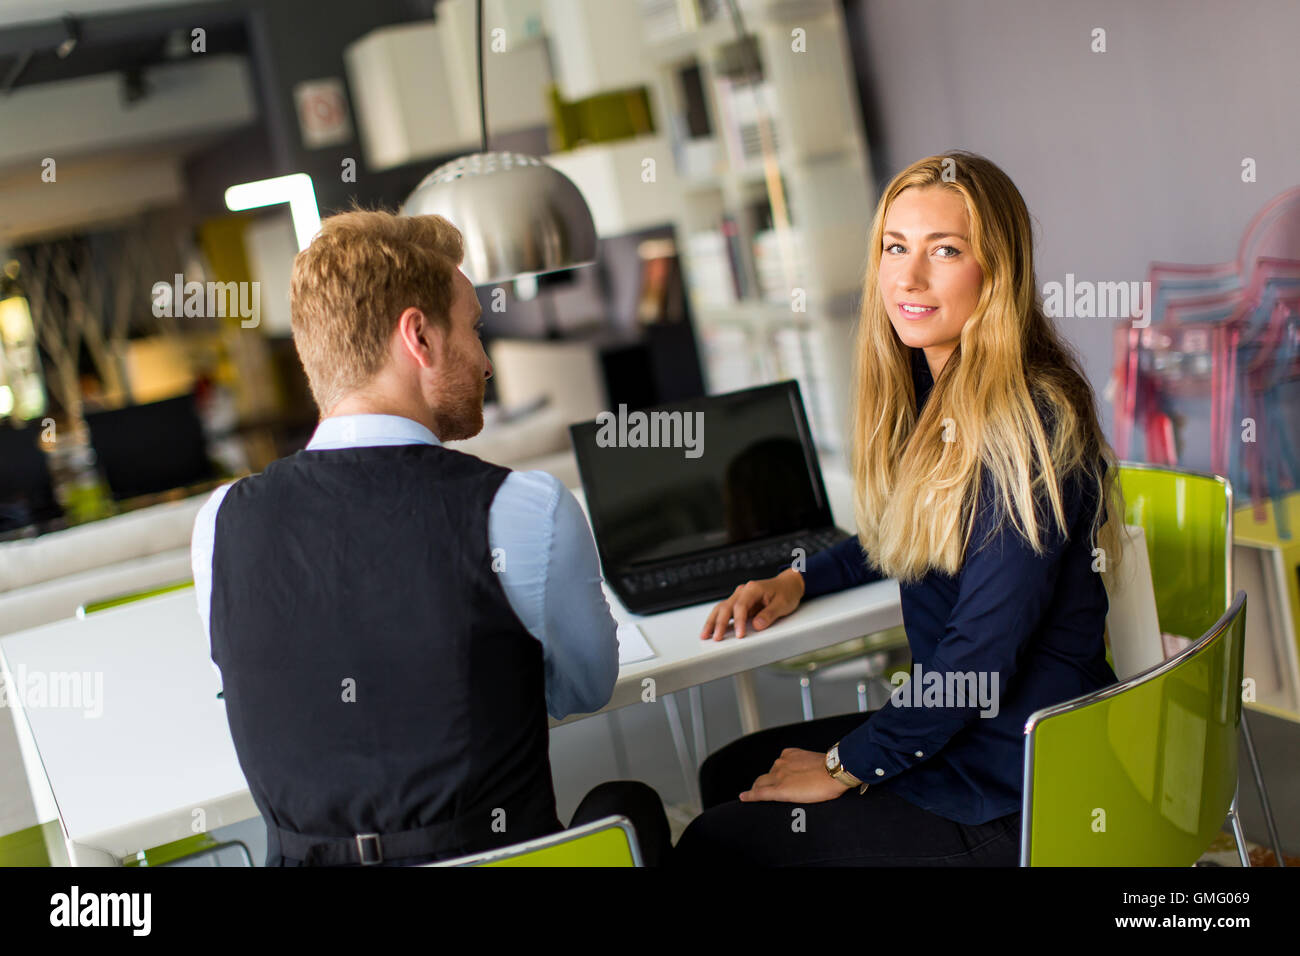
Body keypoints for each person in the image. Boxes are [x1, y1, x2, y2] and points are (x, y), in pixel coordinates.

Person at [675, 151, 1122, 866]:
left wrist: (844, 766)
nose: (908, 278)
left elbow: (977, 660)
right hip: (971, 739)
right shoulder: (939, 392)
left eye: (944, 251)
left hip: (1022, 787)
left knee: (712, 842)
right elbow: (912, 530)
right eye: (894, 247)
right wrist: (799, 580)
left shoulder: (1028, 429)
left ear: (996, 271)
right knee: (728, 772)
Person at [191, 209, 670, 866]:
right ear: (418, 336)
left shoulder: (220, 526)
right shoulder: (524, 510)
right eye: (472, 328)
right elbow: (583, 689)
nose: (486, 361)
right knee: (634, 804)